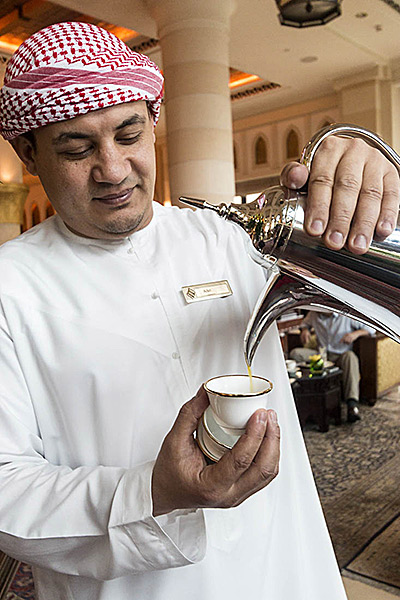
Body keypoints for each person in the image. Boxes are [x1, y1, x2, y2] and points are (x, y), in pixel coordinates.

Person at [0, 21, 398, 600]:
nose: (112, 169)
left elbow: (356, 294)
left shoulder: (230, 237)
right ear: (27, 153)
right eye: (76, 149)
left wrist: (367, 177)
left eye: (129, 135)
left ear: (153, 123)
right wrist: (154, 492)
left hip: (285, 566)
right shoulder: (10, 285)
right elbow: (7, 487)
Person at [290, 311, 375, 422]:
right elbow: (304, 324)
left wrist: (355, 334)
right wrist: (305, 330)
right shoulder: (314, 314)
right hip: (321, 355)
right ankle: (302, 398)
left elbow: (371, 329)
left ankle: (352, 405)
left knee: (350, 357)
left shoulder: (346, 314)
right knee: (295, 353)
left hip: (341, 356)